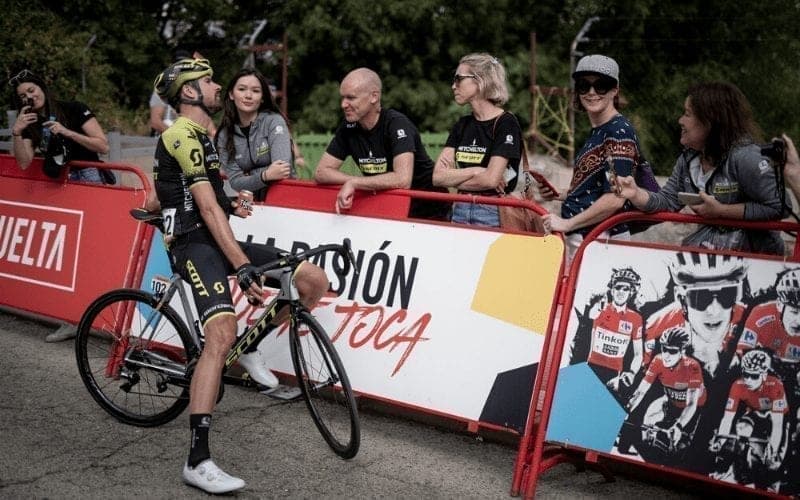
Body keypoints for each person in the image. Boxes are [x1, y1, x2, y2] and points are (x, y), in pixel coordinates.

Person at [150, 57, 329, 493]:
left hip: (216, 234)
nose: (217, 86)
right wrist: (241, 263)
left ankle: (252, 349)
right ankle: (197, 460)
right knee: (220, 334)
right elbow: (205, 209)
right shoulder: (180, 134)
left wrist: (234, 203)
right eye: (208, 81)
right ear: (188, 93)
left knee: (312, 281)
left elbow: (211, 199)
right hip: (193, 244)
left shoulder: (205, 137)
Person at [613, 81, 784, 256]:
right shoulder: (688, 159)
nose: (680, 120)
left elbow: (780, 207)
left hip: (758, 264)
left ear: (710, 121)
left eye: (687, 114)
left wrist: (721, 212)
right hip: (711, 256)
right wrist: (634, 193)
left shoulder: (745, 157)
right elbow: (667, 202)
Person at [539, 55, 642, 260]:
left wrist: (568, 224)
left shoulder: (618, 131)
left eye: (601, 85)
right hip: (589, 237)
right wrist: (561, 193)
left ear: (615, 90)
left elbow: (615, 198)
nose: (591, 92)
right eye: (584, 85)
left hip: (599, 240)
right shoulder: (601, 131)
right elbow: (598, 188)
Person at [314, 67, 450, 220]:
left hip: (432, 211)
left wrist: (355, 183)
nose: (343, 104)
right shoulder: (348, 128)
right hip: (393, 208)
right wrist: (353, 182)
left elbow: (402, 180)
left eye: (351, 98)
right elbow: (321, 172)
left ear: (374, 97)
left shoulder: (396, 123)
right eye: (343, 98)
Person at [432, 53, 521, 227]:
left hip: (493, 212)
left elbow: (491, 180)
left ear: (480, 81)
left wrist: (457, 177)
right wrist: (477, 170)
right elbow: (437, 177)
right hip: (459, 209)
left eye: (459, 79)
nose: (453, 86)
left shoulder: (506, 123)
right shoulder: (462, 124)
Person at [9, 69, 109, 183]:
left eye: (31, 90)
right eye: (23, 96)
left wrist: (68, 133)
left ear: (42, 87)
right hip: (57, 178)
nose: (30, 97)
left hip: (86, 174)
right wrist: (17, 132)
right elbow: (24, 164)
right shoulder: (29, 122)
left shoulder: (74, 108)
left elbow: (103, 147)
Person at [622, 327, 706, 460]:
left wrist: (678, 426)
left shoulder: (692, 367)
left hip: (692, 410)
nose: (666, 355)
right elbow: (641, 391)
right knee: (648, 423)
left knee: (678, 448)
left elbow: (691, 404)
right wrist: (626, 410)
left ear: (683, 352)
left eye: (672, 351)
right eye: (664, 349)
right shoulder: (658, 361)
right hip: (670, 401)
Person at [709, 349, 787, 488]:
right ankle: (737, 466)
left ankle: (772, 483)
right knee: (742, 427)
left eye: (754, 376)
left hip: (777, 417)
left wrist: (773, 450)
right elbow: (727, 418)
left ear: (764, 375)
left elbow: (777, 424)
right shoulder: (738, 385)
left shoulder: (775, 385)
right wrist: (720, 441)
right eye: (746, 374)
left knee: (774, 462)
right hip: (755, 413)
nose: (749, 380)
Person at [216, 68, 294, 201]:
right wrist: (265, 175)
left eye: (256, 91)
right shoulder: (224, 134)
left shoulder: (273, 121)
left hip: (283, 199)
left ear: (262, 97)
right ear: (231, 94)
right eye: (242, 89)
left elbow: (282, 170)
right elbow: (235, 183)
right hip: (247, 202)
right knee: (242, 215)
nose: (248, 95)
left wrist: (247, 176)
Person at [584, 267, 644, 395]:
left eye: (626, 288)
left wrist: (632, 373)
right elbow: (591, 315)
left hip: (613, 373)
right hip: (592, 367)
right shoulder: (601, 309)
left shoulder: (636, 319)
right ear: (612, 290)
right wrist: (600, 307)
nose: (621, 291)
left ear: (631, 292)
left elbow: (639, 353)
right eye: (618, 287)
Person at [149, 49, 216, 138]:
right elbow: (156, 122)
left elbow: (208, 125)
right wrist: (179, 138)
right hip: (167, 141)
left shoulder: (196, 90)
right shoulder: (162, 90)